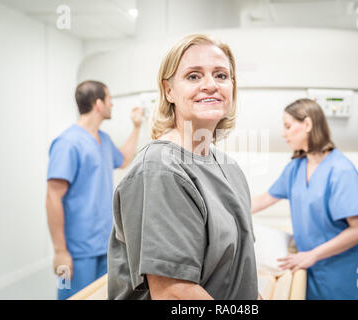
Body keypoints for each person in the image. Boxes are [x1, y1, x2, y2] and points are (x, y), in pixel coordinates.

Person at [107, 34, 259, 300]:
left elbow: (238, 271)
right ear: (169, 91)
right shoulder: (160, 170)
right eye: (193, 76)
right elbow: (174, 294)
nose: (211, 85)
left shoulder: (230, 168)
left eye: (221, 75)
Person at [251, 98, 358, 300]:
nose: (284, 133)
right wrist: (229, 213)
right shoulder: (296, 168)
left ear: (307, 124)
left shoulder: (341, 171)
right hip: (312, 270)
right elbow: (265, 199)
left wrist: (312, 255)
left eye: (288, 126)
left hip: (343, 273)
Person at [46, 80, 143, 300]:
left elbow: (125, 158)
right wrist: (60, 251)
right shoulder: (67, 143)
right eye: (109, 100)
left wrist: (137, 127)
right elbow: (53, 197)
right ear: (98, 104)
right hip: (75, 252)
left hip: (104, 246)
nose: (112, 105)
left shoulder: (104, 140)